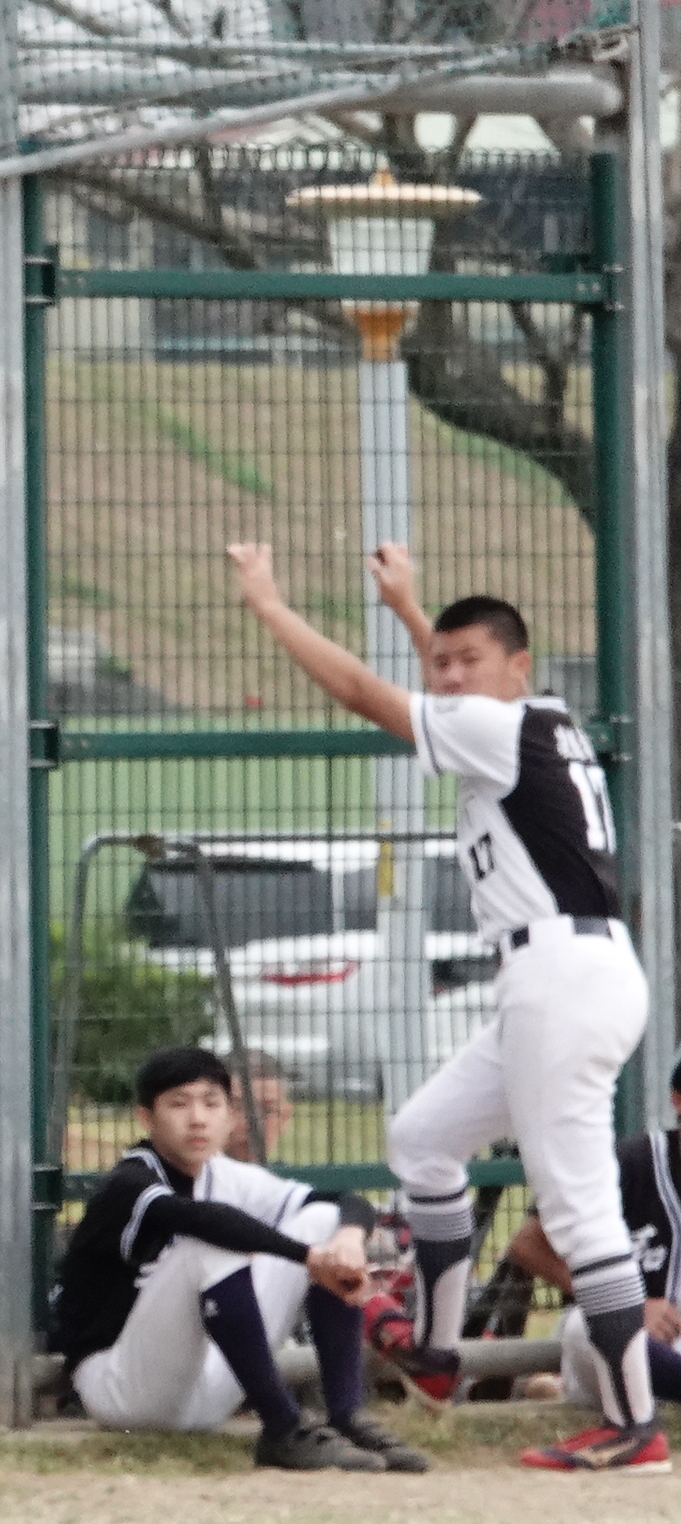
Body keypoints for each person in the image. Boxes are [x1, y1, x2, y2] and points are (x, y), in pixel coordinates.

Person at [230, 542, 657, 1473]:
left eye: (472, 660)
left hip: (562, 978)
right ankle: (436, 1354)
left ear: (520, 667)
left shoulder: (500, 727)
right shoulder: (527, 721)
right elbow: (454, 690)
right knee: (423, 1139)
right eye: (443, 661)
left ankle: (633, 1426)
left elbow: (362, 694)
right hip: (559, 975)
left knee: (579, 1207)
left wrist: (269, 604)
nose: (451, 675)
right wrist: (408, 611)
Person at [49, 1045, 419, 1472]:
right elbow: (205, 1221)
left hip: (208, 1392)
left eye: (211, 1103)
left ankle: (346, 1416)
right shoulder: (130, 1180)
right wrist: (307, 1257)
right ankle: (283, 1427)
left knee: (322, 1220)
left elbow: (345, 1201)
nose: (197, 1119)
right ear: (146, 1118)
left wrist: (348, 1239)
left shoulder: (225, 1175)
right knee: (206, 1247)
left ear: (229, 1115)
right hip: (122, 1387)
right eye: (179, 1104)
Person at [500, 1062, 681, 1418]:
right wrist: (630, 1304)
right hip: (621, 1335)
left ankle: (556, 1386)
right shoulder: (627, 1162)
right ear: (677, 1100)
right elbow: (526, 1244)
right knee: (587, 1326)